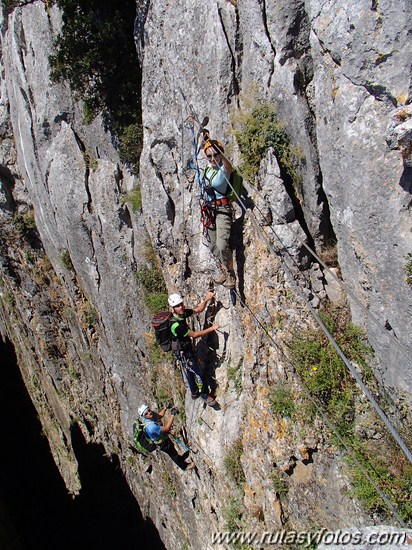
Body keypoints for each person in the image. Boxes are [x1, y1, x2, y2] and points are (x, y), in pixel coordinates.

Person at [168, 291, 219, 406]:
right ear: (173, 308)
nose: (180, 307)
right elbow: (195, 335)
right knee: (198, 372)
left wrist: (206, 300)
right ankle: (205, 395)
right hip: (184, 352)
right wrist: (212, 328)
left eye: (181, 304)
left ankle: (194, 392)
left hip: (184, 349)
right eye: (177, 306)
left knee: (189, 370)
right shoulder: (176, 325)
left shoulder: (182, 314)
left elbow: (198, 310)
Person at [201, 133, 236, 289]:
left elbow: (229, 166)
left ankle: (230, 274)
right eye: (209, 156)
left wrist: (219, 154)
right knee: (213, 244)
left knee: (222, 245)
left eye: (215, 155)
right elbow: (203, 152)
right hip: (209, 210)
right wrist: (206, 141)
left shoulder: (224, 169)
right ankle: (222, 269)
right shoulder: (208, 166)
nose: (212, 158)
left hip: (222, 209)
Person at [138, 403, 195, 470]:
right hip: (162, 443)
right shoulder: (151, 427)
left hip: (163, 439)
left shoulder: (149, 417)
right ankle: (184, 467)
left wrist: (165, 408)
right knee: (173, 454)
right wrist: (172, 415)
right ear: (143, 416)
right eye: (146, 413)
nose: (149, 413)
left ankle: (180, 459)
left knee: (173, 449)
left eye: (148, 410)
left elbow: (158, 416)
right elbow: (167, 428)